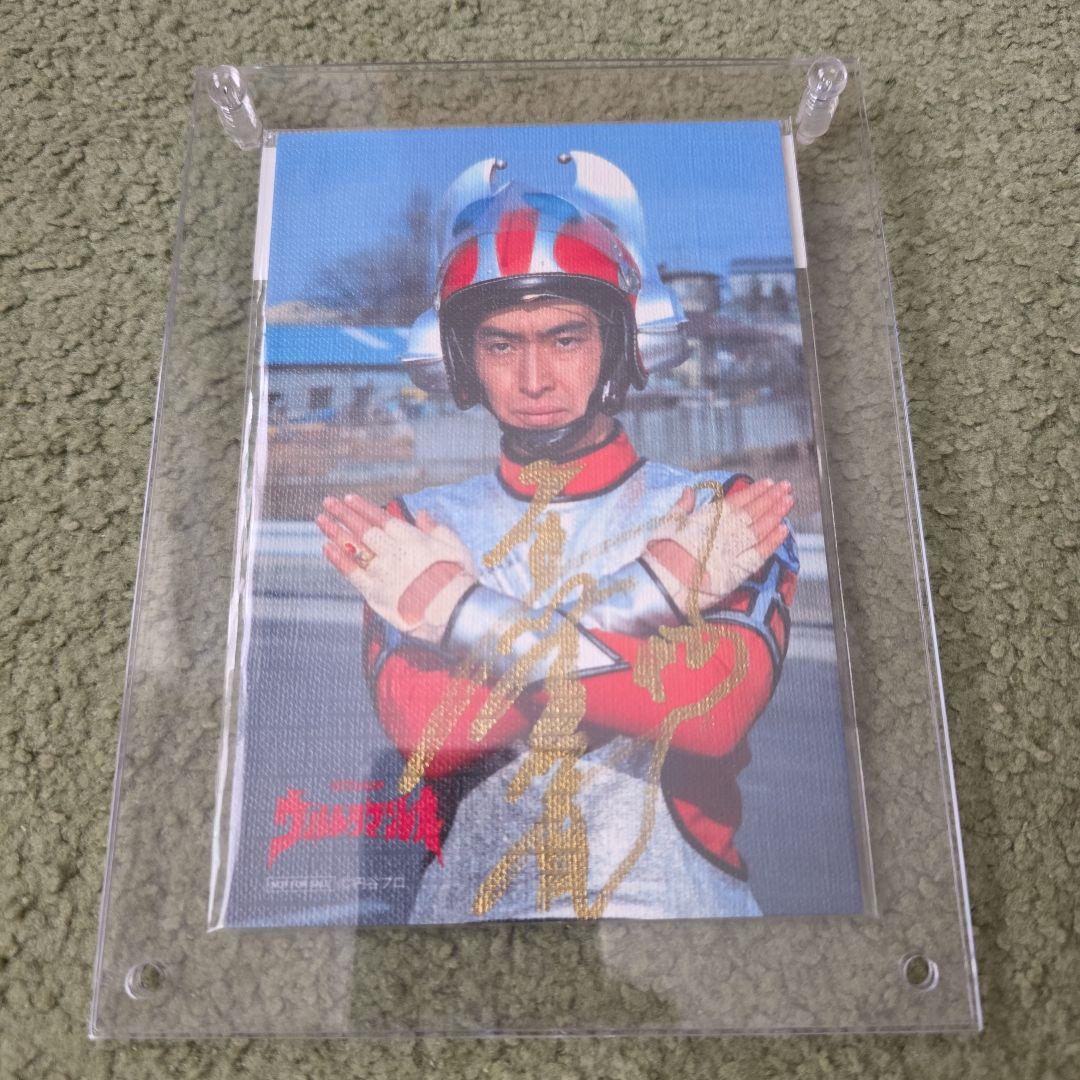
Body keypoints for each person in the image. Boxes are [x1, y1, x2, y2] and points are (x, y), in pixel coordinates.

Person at [315, 157, 798, 923]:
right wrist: (654, 593)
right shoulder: (414, 524)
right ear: (458, 358)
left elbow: (707, 714)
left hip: (678, 927)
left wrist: (453, 608)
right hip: (466, 934)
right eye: (501, 346)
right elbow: (435, 734)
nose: (534, 379)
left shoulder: (720, 509)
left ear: (625, 342)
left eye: (565, 339)